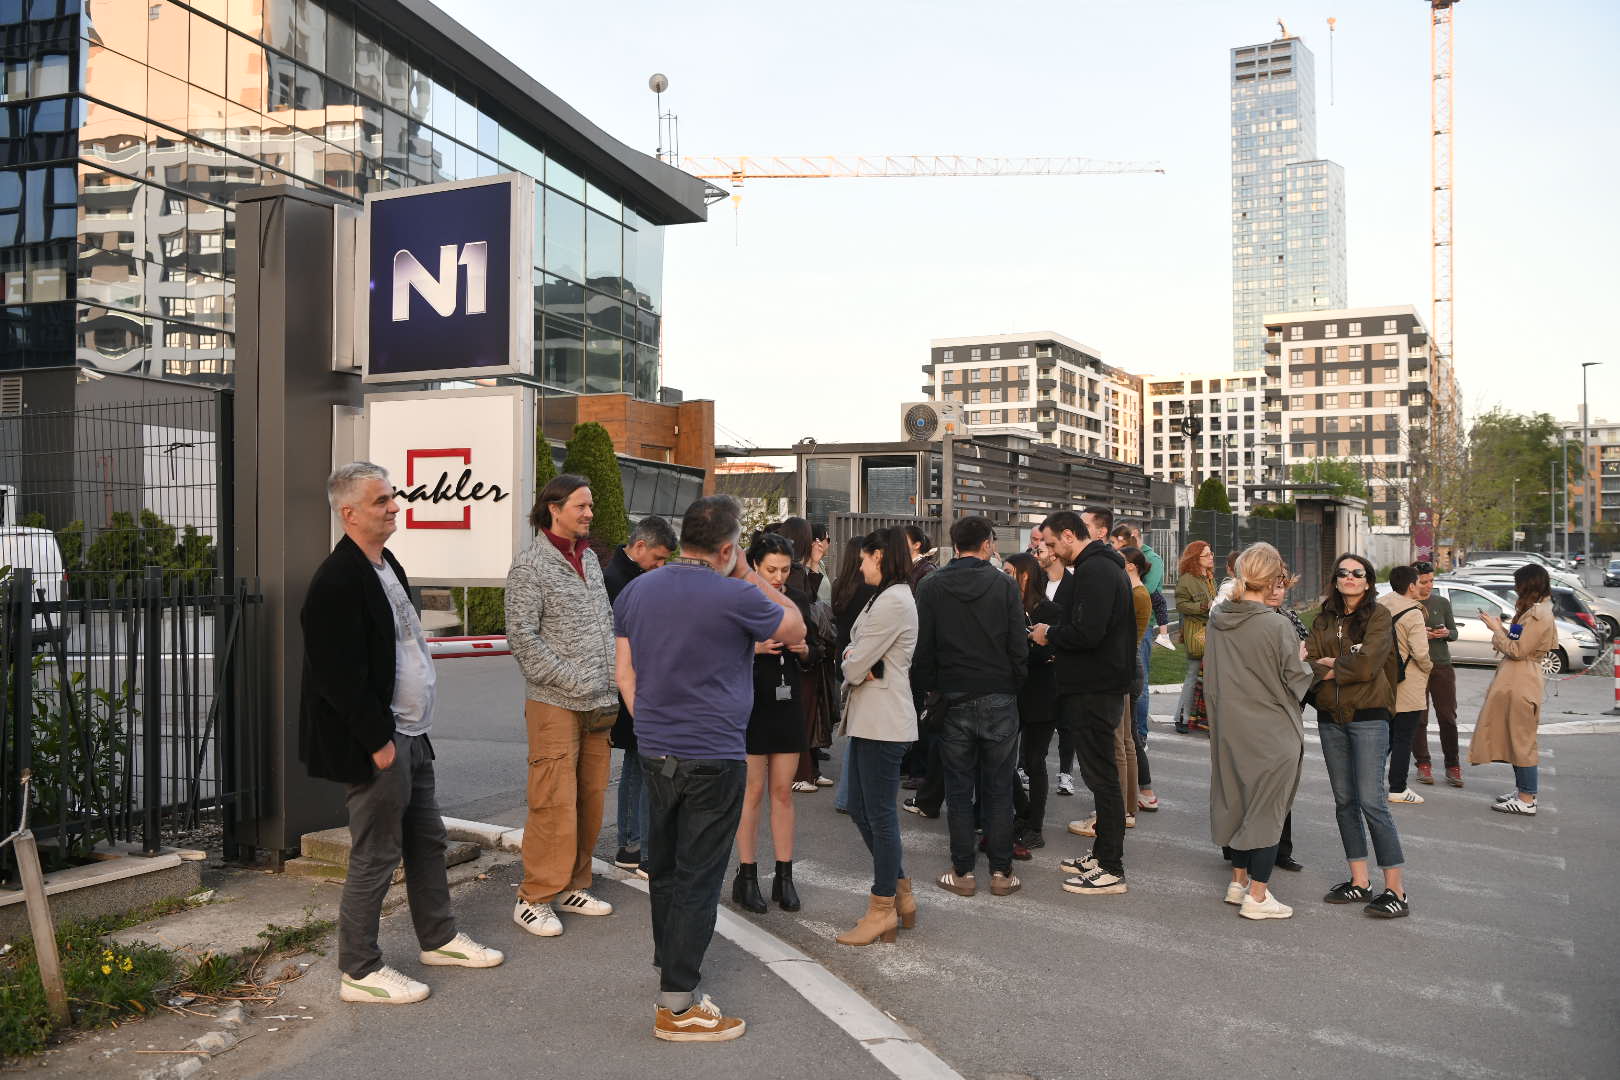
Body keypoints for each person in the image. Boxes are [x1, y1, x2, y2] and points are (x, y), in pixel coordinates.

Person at [301, 463, 502, 1006]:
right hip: (382, 743)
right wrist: (378, 742)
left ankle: (438, 938)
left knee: (426, 841)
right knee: (376, 854)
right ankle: (360, 970)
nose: (394, 507)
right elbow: (336, 677)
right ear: (349, 513)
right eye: (381, 501)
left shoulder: (385, 562)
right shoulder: (335, 581)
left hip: (413, 733)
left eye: (392, 497)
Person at [613, 494, 806, 1042]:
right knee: (698, 875)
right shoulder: (734, 593)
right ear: (726, 548)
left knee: (666, 867)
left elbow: (624, 671)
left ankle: (669, 965)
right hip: (714, 753)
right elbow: (793, 627)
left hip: (656, 749)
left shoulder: (637, 589)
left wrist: (649, 723)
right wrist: (748, 572)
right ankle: (677, 1006)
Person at [506, 475, 619, 939]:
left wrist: (609, 681)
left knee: (590, 796)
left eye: (590, 506)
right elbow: (522, 638)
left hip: (598, 702)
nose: (589, 513)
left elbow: (605, 622)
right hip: (555, 701)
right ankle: (534, 897)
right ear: (554, 508)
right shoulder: (530, 566)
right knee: (553, 800)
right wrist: (573, 677)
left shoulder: (589, 559)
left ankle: (574, 883)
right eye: (581, 506)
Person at [912, 515, 1028, 898]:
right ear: (987, 544)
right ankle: (1000, 871)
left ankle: (962, 870)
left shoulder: (930, 586)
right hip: (999, 694)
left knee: (958, 788)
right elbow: (1017, 645)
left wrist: (930, 691)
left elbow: (923, 649)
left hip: (952, 696)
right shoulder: (1005, 585)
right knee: (998, 787)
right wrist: (1015, 684)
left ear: (955, 544)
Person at [1205, 543, 1315, 921]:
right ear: (1271, 578)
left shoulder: (1218, 618)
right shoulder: (1276, 624)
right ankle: (1259, 895)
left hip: (1230, 728)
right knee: (1267, 812)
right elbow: (1296, 679)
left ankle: (1238, 883)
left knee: (1237, 803)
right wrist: (1304, 661)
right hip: (1272, 731)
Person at [1035, 507, 1136, 897]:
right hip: (1095, 684)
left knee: (1103, 778)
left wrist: (1049, 634)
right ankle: (1101, 854)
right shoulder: (1097, 566)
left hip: (1097, 687)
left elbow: (1088, 632)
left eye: (1050, 542)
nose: (1048, 549)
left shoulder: (1096, 569)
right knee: (1098, 777)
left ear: (1069, 536)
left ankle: (1111, 867)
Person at [1306, 553, 1409, 919]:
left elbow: (1368, 665)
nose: (1349, 577)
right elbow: (1310, 663)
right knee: (1344, 800)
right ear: (1335, 580)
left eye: (1357, 573)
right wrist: (1335, 664)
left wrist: (1334, 665)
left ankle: (1396, 890)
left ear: (1367, 582)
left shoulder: (1378, 616)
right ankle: (1360, 882)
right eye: (1343, 573)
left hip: (1368, 717)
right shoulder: (1322, 618)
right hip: (1330, 718)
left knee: (1372, 802)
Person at [836, 528, 920, 945]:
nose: (860, 564)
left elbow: (852, 666)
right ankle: (899, 891)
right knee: (859, 807)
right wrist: (857, 661)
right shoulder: (884, 597)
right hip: (872, 720)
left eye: (865, 558)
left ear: (881, 557)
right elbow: (853, 657)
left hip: (884, 723)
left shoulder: (893, 600)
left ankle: (883, 905)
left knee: (880, 816)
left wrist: (857, 663)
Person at [731, 532, 816, 914]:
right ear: (753, 565)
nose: (779, 577)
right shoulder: (738, 598)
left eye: (784, 569)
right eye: (771, 569)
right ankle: (746, 875)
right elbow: (713, 647)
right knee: (751, 792)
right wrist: (754, 648)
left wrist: (805, 650)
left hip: (786, 703)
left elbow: (817, 652)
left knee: (783, 792)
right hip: (749, 704)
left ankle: (785, 876)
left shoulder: (795, 601)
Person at [605, 515, 677, 879]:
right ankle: (636, 846)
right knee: (642, 768)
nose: (661, 567)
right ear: (639, 547)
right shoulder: (617, 581)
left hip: (634, 683)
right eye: (659, 559)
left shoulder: (627, 577)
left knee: (635, 766)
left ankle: (630, 845)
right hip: (631, 684)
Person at [1468, 562, 1558, 816]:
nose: (1516, 589)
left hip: (1522, 680)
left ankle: (1527, 797)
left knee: (1521, 740)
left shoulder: (1539, 614)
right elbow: (1517, 640)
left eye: (1518, 584)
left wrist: (1497, 631)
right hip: (1517, 678)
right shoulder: (1532, 611)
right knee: (1516, 737)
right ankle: (1523, 791)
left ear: (1528, 585)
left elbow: (1517, 651)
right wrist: (1500, 630)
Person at [1005, 552, 1062, 850]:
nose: (1003, 575)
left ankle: (1034, 826)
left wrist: (1029, 645)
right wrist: (1031, 641)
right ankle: (1023, 810)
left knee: (1035, 761)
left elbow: (1046, 653)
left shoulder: (1051, 611)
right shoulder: (1008, 606)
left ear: (1024, 576)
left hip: (1042, 695)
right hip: (1012, 693)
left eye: (1007, 570)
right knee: (1001, 758)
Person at [1110, 523, 1162, 811]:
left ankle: (1142, 792)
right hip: (1131, 663)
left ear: (1131, 567)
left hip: (1129, 664)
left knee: (1128, 738)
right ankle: (1139, 795)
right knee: (1129, 738)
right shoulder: (1135, 591)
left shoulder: (1137, 594)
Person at [1378, 565, 1435, 806]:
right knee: (1403, 737)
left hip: (1383, 678)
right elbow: (1420, 653)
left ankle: (1367, 779)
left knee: (1385, 736)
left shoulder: (1380, 605)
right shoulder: (1413, 613)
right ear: (1411, 586)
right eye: (1419, 583)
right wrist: (1429, 667)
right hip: (1408, 682)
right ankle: (1398, 787)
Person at [831, 536, 879, 814]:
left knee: (854, 730)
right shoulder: (867, 591)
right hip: (858, 659)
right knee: (859, 733)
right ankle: (849, 796)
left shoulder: (840, 585)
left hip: (843, 655)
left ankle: (849, 796)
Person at [1410, 561, 1462, 787]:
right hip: (1415, 667)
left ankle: (1453, 766)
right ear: (1413, 582)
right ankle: (1423, 764)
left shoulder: (1442, 602)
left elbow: (1454, 633)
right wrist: (1420, 634)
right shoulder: (1407, 604)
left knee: (1447, 717)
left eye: (1431, 580)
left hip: (1441, 665)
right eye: (1424, 582)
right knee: (1419, 718)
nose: (1429, 585)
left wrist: (1445, 632)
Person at [1174, 541, 1217, 734]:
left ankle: (1200, 718)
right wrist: (1202, 607)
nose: (1211, 557)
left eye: (1211, 554)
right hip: (1197, 633)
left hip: (1211, 632)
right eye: (1206, 555)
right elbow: (1181, 605)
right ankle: (1181, 718)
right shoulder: (1187, 580)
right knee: (1193, 675)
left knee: (1207, 677)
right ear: (1195, 558)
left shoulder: (1209, 577)